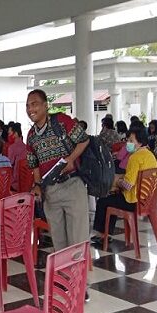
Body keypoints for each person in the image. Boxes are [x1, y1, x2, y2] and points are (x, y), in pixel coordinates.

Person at [26, 89, 89, 254]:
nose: (30, 109)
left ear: (46, 105)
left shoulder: (61, 121)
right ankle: (64, 276)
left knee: (77, 243)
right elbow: (35, 165)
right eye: (27, 106)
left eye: (34, 104)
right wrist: (38, 185)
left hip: (72, 185)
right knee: (59, 243)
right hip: (50, 192)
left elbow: (84, 140)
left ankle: (77, 278)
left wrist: (71, 159)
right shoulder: (31, 135)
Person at [91, 125, 157, 245]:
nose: (128, 143)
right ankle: (106, 234)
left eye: (131, 141)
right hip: (147, 200)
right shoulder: (150, 155)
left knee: (103, 201)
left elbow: (128, 185)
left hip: (133, 202)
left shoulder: (135, 157)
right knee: (112, 199)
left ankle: (103, 235)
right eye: (128, 140)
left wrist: (118, 182)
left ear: (140, 142)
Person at [7, 123, 27, 189]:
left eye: (9, 134)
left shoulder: (12, 148)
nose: (8, 136)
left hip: (14, 183)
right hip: (26, 182)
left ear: (15, 134)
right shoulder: (26, 147)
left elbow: (8, 166)